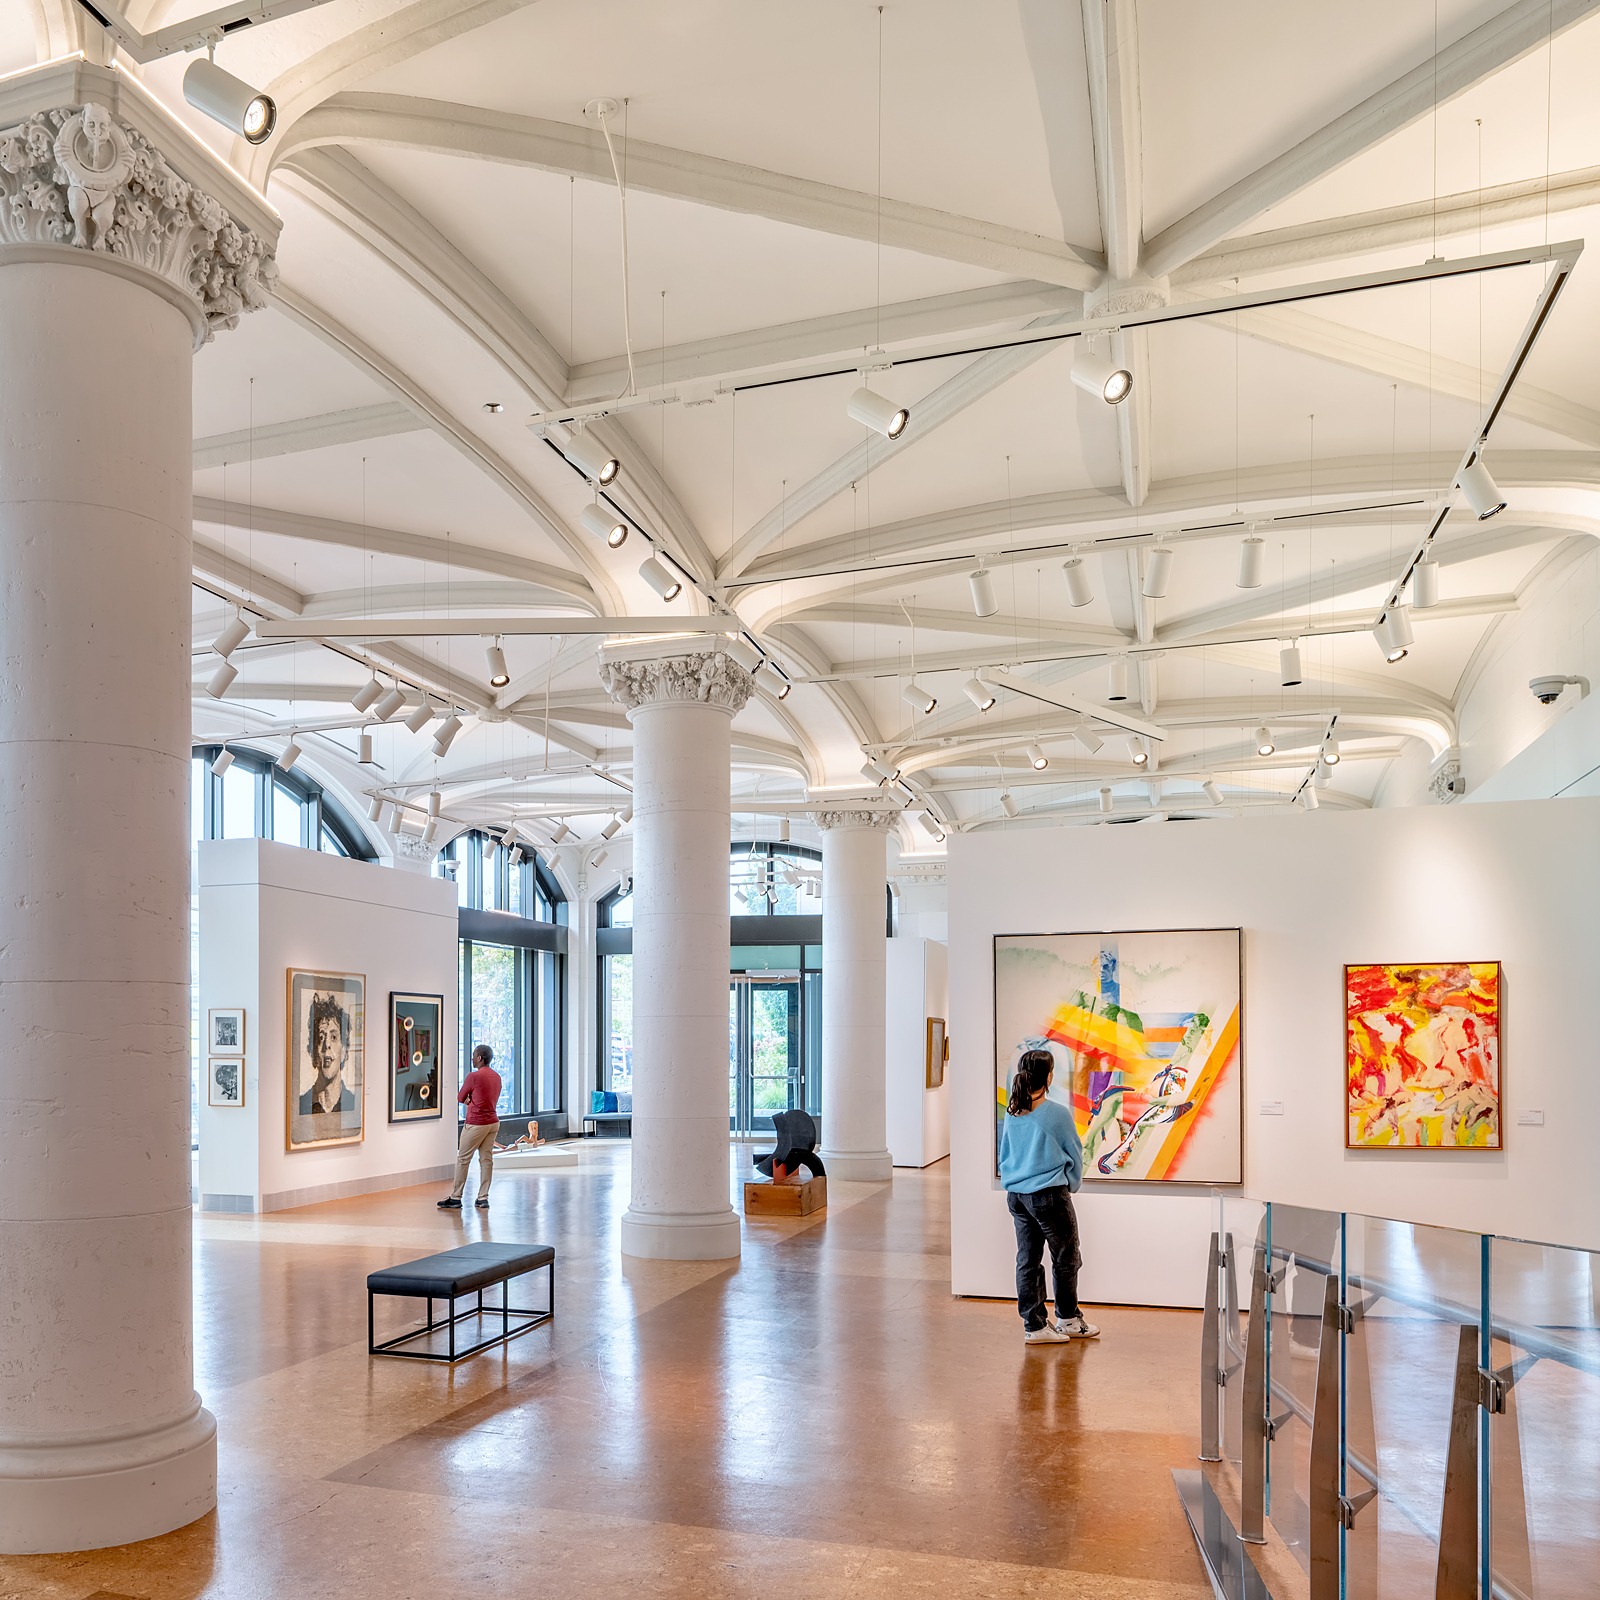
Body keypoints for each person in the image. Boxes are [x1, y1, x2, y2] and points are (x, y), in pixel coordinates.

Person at [999, 1049, 1099, 1345]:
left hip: (1017, 1196)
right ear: (1049, 1076)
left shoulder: (1013, 1110)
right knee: (1067, 1258)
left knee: (1027, 1260)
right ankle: (1067, 1318)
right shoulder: (1056, 1113)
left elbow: (1005, 1154)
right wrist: (1071, 1184)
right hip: (1049, 1196)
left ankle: (1034, 1325)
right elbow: (1075, 1153)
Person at [438, 1045, 502, 1211]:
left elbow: (460, 1097)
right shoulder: (497, 1077)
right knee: (486, 1160)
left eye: (474, 1056)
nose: (472, 1059)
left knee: (463, 1159)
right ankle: (483, 1198)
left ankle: (456, 1197)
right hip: (493, 1122)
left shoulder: (474, 1076)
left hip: (476, 1122)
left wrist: (468, 1100)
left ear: (480, 1058)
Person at [299, 993, 356, 1116]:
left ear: (345, 1050)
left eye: (334, 1037)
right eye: (321, 1037)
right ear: (313, 1051)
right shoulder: (300, 1105)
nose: (327, 1045)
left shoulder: (354, 1104)